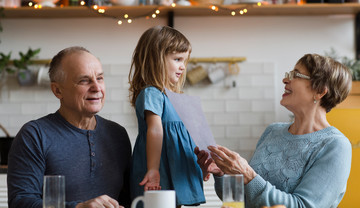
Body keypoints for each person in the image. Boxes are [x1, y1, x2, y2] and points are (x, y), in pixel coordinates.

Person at [195, 53, 353, 208]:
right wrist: (223, 174)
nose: (285, 79)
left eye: (295, 75)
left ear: (320, 91)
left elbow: (303, 205)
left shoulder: (335, 145)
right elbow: (238, 201)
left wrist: (249, 176)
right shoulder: (272, 131)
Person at [7, 47, 132, 208]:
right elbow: (20, 202)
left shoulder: (118, 134)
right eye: (84, 80)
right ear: (57, 90)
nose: (96, 87)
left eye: (100, 78)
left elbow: (128, 199)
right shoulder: (34, 135)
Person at [128, 25, 205, 207]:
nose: (182, 67)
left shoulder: (174, 99)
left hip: (176, 169)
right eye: (177, 59)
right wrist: (153, 168)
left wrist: (199, 166)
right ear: (155, 60)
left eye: (184, 61)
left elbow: (185, 139)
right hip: (157, 170)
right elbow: (155, 130)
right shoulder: (152, 93)